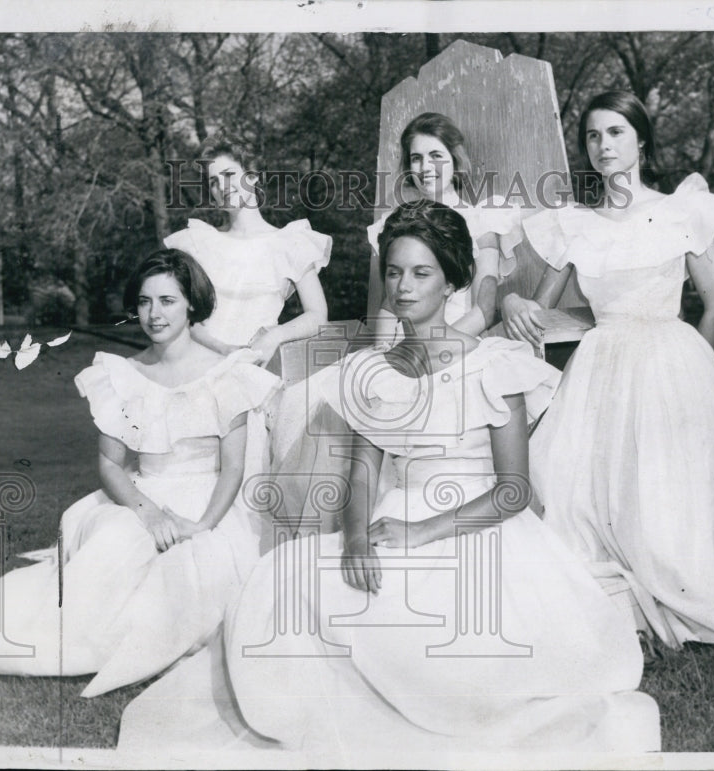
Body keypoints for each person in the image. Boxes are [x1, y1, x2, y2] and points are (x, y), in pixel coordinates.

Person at [114, 201, 660, 756]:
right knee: (283, 575)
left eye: (421, 273)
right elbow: (362, 470)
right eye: (394, 272)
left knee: (437, 636)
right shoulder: (371, 372)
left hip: (478, 527)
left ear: (452, 281)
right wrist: (354, 539)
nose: (402, 287)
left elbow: (514, 490)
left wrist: (419, 532)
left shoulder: (497, 365)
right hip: (389, 516)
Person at [502, 91, 714, 649]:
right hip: (601, 367)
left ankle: (689, 584)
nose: (603, 145)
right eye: (593, 136)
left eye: (616, 133)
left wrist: (688, 369)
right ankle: (618, 599)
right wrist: (512, 304)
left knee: (673, 486)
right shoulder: (573, 224)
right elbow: (540, 305)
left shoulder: (682, 211)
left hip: (671, 358)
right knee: (586, 492)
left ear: (641, 141)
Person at [0, 250, 281, 697]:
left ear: (191, 305)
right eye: (144, 302)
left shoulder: (226, 374)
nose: (154, 313)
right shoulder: (121, 373)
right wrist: (149, 513)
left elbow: (234, 467)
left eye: (167, 300)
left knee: (196, 564)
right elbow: (110, 463)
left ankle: (151, 640)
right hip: (139, 495)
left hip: (209, 502)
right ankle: (75, 641)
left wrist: (201, 524)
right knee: (114, 548)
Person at [164, 137, 332, 366]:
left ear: (252, 176)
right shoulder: (199, 242)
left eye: (229, 175)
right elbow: (185, 316)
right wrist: (222, 349)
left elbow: (317, 316)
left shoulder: (289, 242)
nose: (222, 187)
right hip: (201, 363)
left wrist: (276, 335)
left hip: (256, 367)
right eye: (213, 181)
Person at [368, 112, 524, 342]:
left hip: (457, 343)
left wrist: (433, 348)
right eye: (416, 158)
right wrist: (385, 351)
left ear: (455, 159)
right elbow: (387, 308)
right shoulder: (399, 222)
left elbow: (484, 309)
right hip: (402, 347)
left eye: (436, 155)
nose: (425, 167)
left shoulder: (482, 221)